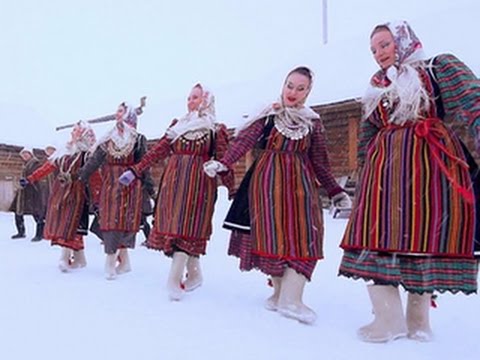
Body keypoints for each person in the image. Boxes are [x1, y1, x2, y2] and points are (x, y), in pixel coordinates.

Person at [338, 20, 480, 343]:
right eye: (374, 49)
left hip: (428, 163)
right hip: (384, 171)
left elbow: (474, 101)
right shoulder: (377, 85)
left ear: (402, 41)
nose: (379, 54)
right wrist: (363, 168)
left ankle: (418, 322)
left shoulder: (435, 68)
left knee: (424, 232)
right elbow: (367, 132)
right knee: (377, 231)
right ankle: (388, 319)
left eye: (385, 45)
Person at [203, 67, 351, 324]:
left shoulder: (312, 122)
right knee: (275, 236)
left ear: (308, 92)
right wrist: (224, 163)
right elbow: (243, 142)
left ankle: (288, 297)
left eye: (300, 88)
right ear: (283, 86)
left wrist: (335, 191)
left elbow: (320, 162)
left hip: (301, 188)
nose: (293, 92)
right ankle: (284, 296)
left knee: (307, 236)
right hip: (268, 185)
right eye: (290, 86)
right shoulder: (268, 115)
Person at [119, 83, 233, 301]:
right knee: (175, 225)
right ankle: (195, 274)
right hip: (173, 183)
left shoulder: (215, 129)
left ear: (207, 100)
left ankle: (173, 279)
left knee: (187, 226)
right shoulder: (178, 125)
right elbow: (159, 150)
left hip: (199, 184)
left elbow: (224, 159)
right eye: (189, 97)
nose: (191, 101)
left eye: (197, 97)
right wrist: (136, 170)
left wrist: (231, 186)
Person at [78, 102, 148, 280]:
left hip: (130, 188)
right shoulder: (108, 140)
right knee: (110, 223)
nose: (117, 114)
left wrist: (151, 190)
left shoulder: (138, 139)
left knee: (122, 225)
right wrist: (81, 176)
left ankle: (112, 263)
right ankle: (121, 263)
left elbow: (144, 166)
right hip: (110, 187)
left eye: (121, 111)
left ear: (129, 115)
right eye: (117, 111)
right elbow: (94, 160)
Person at [22, 121, 96, 272]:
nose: (72, 133)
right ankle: (80, 259)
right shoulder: (64, 151)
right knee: (64, 225)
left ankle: (64, 257)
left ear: (82, 133)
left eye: (76, 130)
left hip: (78, 193)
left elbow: (94, 176)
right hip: (61, 193)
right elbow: (48, 167)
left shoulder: (87, 154)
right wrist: (31, 178)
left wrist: (97, 197)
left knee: (71, 224)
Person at [10, 147, 49, 241]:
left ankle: (40, 234)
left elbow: (39, 176)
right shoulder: (24, 165)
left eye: (26, 154)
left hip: (34, 191)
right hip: (23, 192)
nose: (24, 156)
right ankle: (21, 232)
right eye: (23, 154)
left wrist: (29, 181)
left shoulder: (35, 164)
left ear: (31, 154)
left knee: (37, 212)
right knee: (18, 211)